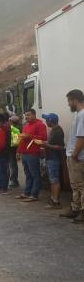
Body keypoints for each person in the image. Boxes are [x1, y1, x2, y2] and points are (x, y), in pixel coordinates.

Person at [60, 90, 84, 223]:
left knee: (80, 185)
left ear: (75, 100)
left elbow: (81, 137)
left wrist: (74, 154)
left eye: (69, 101)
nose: (68, 104)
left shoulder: (82, 115)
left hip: (78, 157)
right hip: (75, 156)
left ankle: (82, 211)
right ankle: (75, 208)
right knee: (75, 184)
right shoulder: (78, 114)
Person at [16, 109, 47, 202]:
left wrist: (30, 136)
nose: (26, 117)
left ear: (34, 115)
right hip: (25, 153)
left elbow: (43, 138)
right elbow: (22, 139)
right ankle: (27, 192)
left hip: (33, 153)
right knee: (28, 174)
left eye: (28, 115)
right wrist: (18, 151)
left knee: (35, 174)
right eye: (25, 115)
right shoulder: (25, 125)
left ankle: (34, 194)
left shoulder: (40, 125)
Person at [38, 113, 65, 210]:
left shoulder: (58, 131)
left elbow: (60, 147)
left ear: (50, 121)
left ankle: (56, 201)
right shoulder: (54, 130)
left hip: (54, 159)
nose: (46, 122)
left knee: (54, 180)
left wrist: (46, 145)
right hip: (50, 158)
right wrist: (44, 143)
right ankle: (53, 199)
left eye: (47, 120)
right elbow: (52, 143)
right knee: (52, 180)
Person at [8, 116, 21, 188]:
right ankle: (14, 180)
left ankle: (14, 180)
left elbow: (16, 142)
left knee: (13, 165)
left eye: (9, 121)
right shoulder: (14, 129)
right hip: (13, 149)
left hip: (12, 149)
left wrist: (9, 144)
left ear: (11, 122)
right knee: (12, 165)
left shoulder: (14, 129)